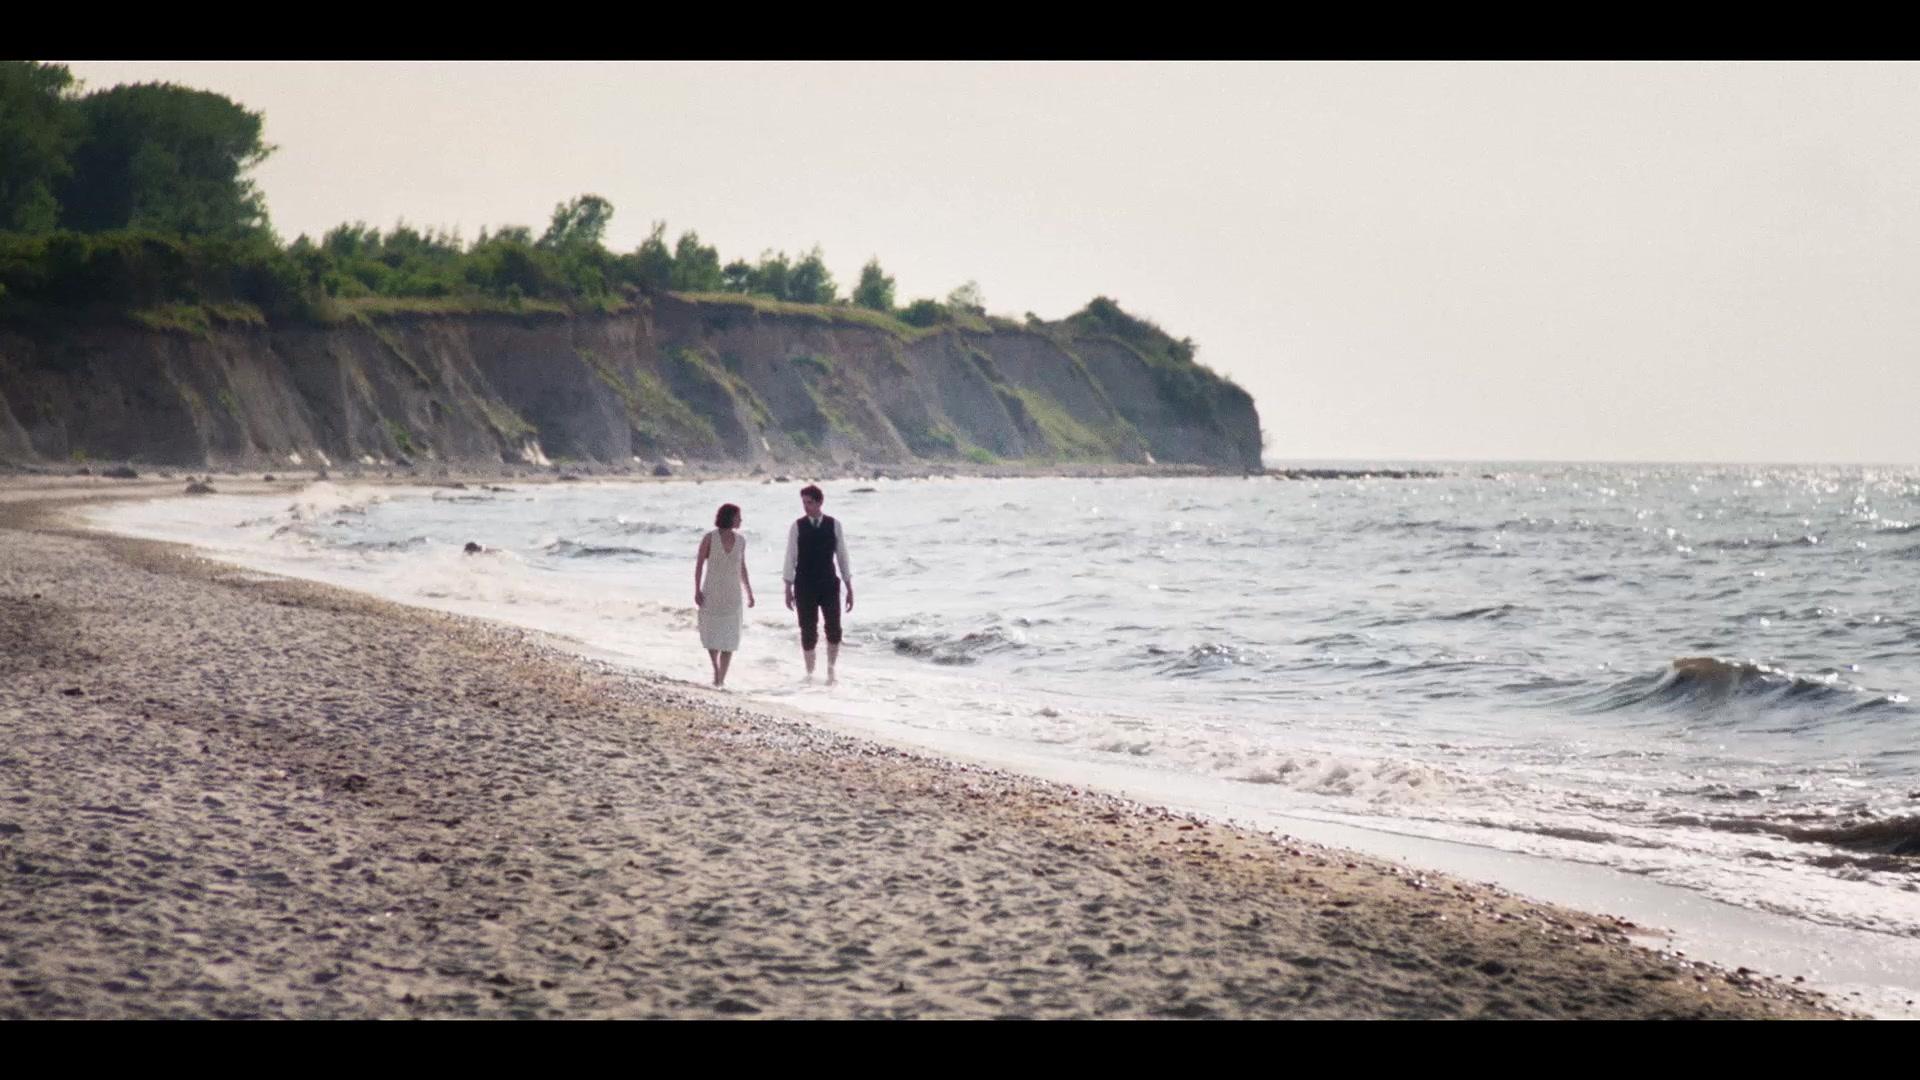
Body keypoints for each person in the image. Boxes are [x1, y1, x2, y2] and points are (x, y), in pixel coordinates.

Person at [783, 484, 853, 684]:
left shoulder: (834, 524)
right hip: (804, 583)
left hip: (829, 582)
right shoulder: (797, 526)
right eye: (804, 502)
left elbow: (842, 557)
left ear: (820, 502)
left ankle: (831, 669)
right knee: (807, 628)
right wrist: (787, 588)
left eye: (810, 502)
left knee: (834, 627)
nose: (806, 506)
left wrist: (849, 586)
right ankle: (810, 673)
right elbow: (790, 557)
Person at [695, 502, 754, 687]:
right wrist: (696, 589)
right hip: (712, 592)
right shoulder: (709, 538)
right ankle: (715, 669)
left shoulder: (741, 541)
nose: (741, 519)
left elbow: (742, 567)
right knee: (711, 633)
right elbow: (699, 565)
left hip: (733, 594)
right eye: (738, 516)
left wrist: (749, 592)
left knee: (730, 638)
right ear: (729, 517)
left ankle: (721, 679)